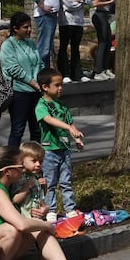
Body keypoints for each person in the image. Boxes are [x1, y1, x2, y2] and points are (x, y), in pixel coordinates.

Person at [0, 146, 97, 260]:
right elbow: (21, 223)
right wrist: (48, 225)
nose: (23, 169)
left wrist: (43, 211)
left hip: (4, 248)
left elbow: (25, 213)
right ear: (7, 171)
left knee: (37, 230)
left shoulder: (7, 186)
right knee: (13, 229)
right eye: (20, 166)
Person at [35, 68, 84, 219]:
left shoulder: (62, 105)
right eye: (57, 85)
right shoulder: (42, 106)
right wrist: (68, 127)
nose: (60, 88)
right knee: (50, 183)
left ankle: (70, 209)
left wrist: (76, 138)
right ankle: (51, 210)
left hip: (64, 150)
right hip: (49, 151)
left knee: (66, 181)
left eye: (61, 84)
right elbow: (49, 120)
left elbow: (70, 123)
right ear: (45, 87)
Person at [1, 11, 43, 148]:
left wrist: (42, 81)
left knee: (37, 129)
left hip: (37, 92)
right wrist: (33, 83)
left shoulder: (31, 43)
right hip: (20, 93)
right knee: (18, 129)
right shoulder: (8, 45)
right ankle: (12, 161)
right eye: (25, 27)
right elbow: (14, 70)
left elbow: (40, 63)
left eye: (30, 26)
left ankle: (35, 161)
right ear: (15, 28)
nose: (29, 30)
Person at [54, 0, 89, 81]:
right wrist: (80, 1)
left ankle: (77, 73)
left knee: (75, 48)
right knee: (64, 47)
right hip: (66, 22)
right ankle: (65, 73)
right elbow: (69, 5)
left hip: (78, 23)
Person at [90, 0, 116, 78]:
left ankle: (105, 68)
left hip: (105, 15)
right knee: (103, 42)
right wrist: (110, 1)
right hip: (99, 15)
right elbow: (95, 3)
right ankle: (98, 70)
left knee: (108, 41)